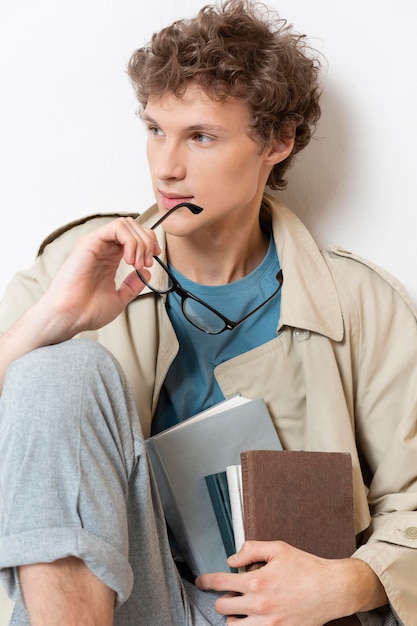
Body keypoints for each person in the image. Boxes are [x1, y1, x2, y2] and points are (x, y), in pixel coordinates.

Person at [0, 0, 416, 624]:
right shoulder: (79, 263)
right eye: (154, 129)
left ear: (278, 141)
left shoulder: (360, 303)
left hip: (279, 613)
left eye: (201, 136)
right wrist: (50, 323)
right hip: (122, 601)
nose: (166, 166)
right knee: (55, 369)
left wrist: (346, 585)